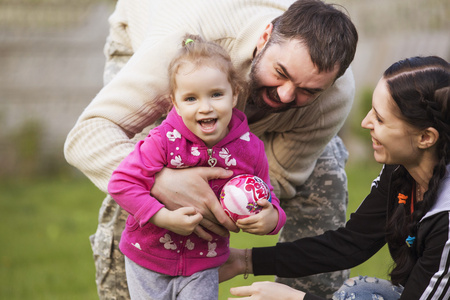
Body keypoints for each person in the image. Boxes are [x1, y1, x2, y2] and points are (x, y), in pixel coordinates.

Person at [64, 0, 358, 298]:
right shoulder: (182, 45)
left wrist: (236, 201)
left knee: (326, 175)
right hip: (158, 40)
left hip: (246, 126)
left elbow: (278, 179)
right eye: (280, 72)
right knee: (147, 159)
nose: (285, 95)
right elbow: (88, 135)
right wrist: (161, 183)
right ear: (265, 36)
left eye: (308, 90)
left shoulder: (334, 97)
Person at [219, 55, 450, 300]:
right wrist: (243, 261)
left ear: (426, 138)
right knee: (360, 290)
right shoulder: (401, 171)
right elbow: (350, 244)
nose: (365, 122)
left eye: (380, 119)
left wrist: (294, 298)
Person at [107, 34, 286, 300]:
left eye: (216, 94)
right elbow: (121, 183)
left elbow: (268, 197)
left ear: (234, 94)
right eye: (191, 99)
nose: (205, 107)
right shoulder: (163, 140)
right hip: (147, 259)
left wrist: (272, 219)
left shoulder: (250, 149)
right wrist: (162, 217)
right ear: (175, 103)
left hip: (204, 263)